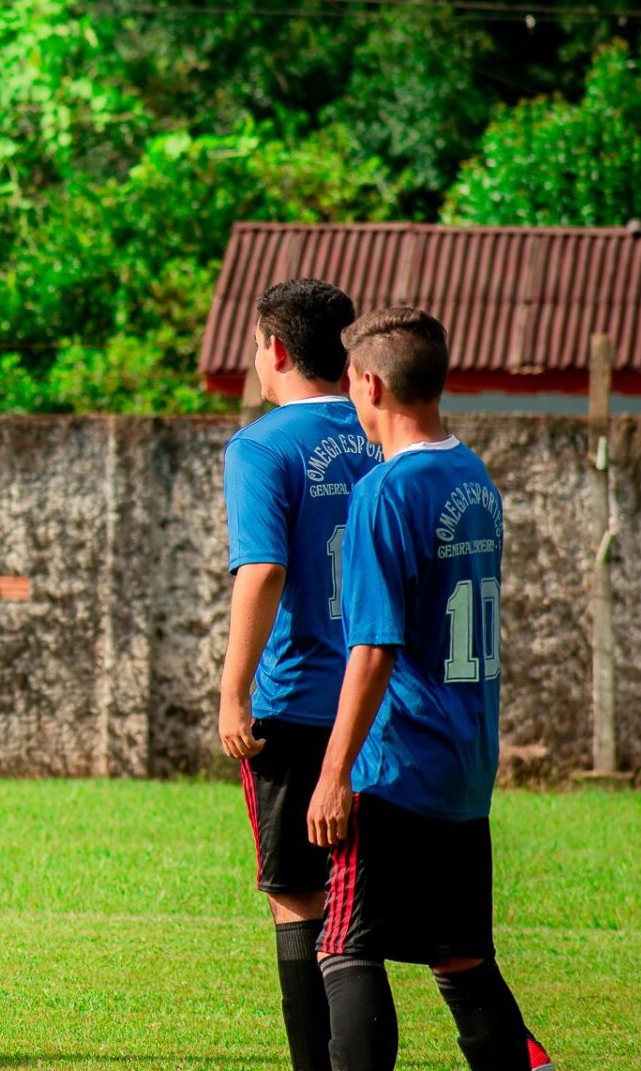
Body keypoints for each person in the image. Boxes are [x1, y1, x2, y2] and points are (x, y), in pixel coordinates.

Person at [309, 306, 551, 1071]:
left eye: (350, 382)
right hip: (463, 764)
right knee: (459, 958)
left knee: (344, 947)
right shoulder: (471, 477)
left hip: (398, 763)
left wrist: (335, 773)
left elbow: (375, 649)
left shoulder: (384, 492)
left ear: (371, 383)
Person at [218, 278, 380, 1071]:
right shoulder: (387, 434)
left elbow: (263, 571)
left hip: (296, 705)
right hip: (383, 705)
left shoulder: (261, 446)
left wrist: (232, 692)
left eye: (255, 343)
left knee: (300, 903)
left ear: (274, 350)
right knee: (369, 908)